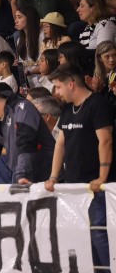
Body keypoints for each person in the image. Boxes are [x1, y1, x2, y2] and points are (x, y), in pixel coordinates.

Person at [46, 65, 114, 269]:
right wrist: (53, 177)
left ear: (71, 84)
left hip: (97, 186)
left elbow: (106, 141)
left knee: (99, 232)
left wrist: (102, 177)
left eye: (58, 87)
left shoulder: (97, 104)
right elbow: (60, 143)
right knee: (83, 234)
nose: (56, 92)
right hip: (76, 185)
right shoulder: (67, 109)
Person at [0, 83, 55, 188]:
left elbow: (26, 145)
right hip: (21, 175)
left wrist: (22, 175)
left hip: (44, 177)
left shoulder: (22, 109)